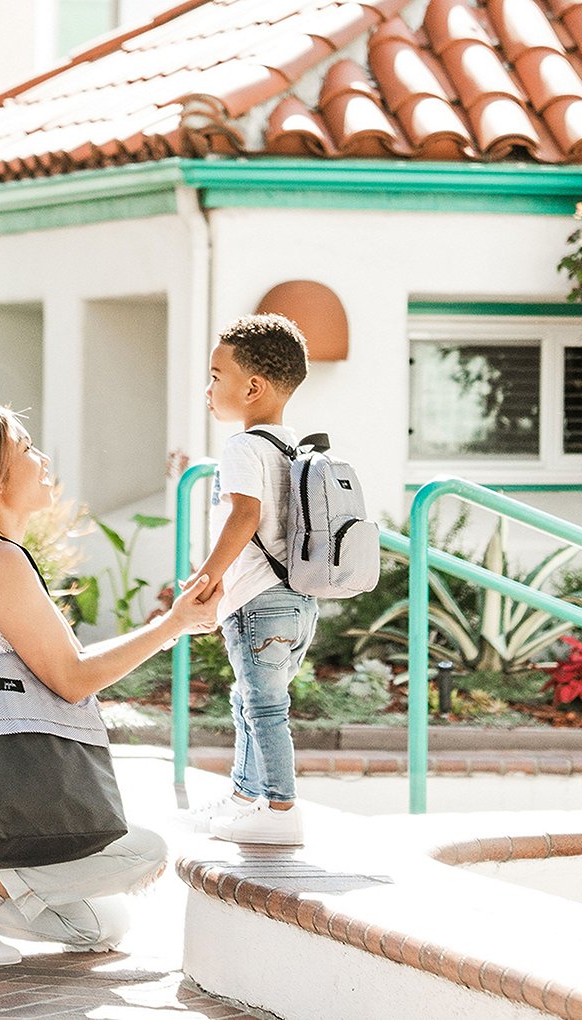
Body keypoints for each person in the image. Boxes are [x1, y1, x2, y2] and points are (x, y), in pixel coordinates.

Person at [0, 404, 221, 966]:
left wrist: (171, 626)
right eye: (26, 450)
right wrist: (172, 626)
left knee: (100, 926)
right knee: (145, 853)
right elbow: (72, 678)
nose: (41, 460)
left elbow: (70, 662)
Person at [181, 313, 318, 846]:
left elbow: (245, 514)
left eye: (216, 375)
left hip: (259, 603)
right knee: (249, 699)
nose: (208, 388)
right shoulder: (290, 448)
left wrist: (208, 575)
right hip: (296, 602)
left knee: (263, 707)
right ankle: (243, 797)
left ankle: (281, 810)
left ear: (253, 387)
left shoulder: (242, 448)